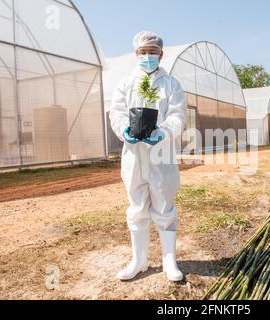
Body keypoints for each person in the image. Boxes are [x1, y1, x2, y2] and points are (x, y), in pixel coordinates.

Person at [109, 31, 187, 282]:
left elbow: (178, 116)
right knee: (137, 205)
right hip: (134, 153)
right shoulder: (125, 83)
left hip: (161, 151)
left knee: (164, 203)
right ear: (136, 55)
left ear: (161, 55)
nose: (147, 56)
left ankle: (169, 260)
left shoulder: (171, 84)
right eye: (143, 52)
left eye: (152, 52)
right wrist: (123, 129)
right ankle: (139, 260)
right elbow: (117, 112)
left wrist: (162, 132)